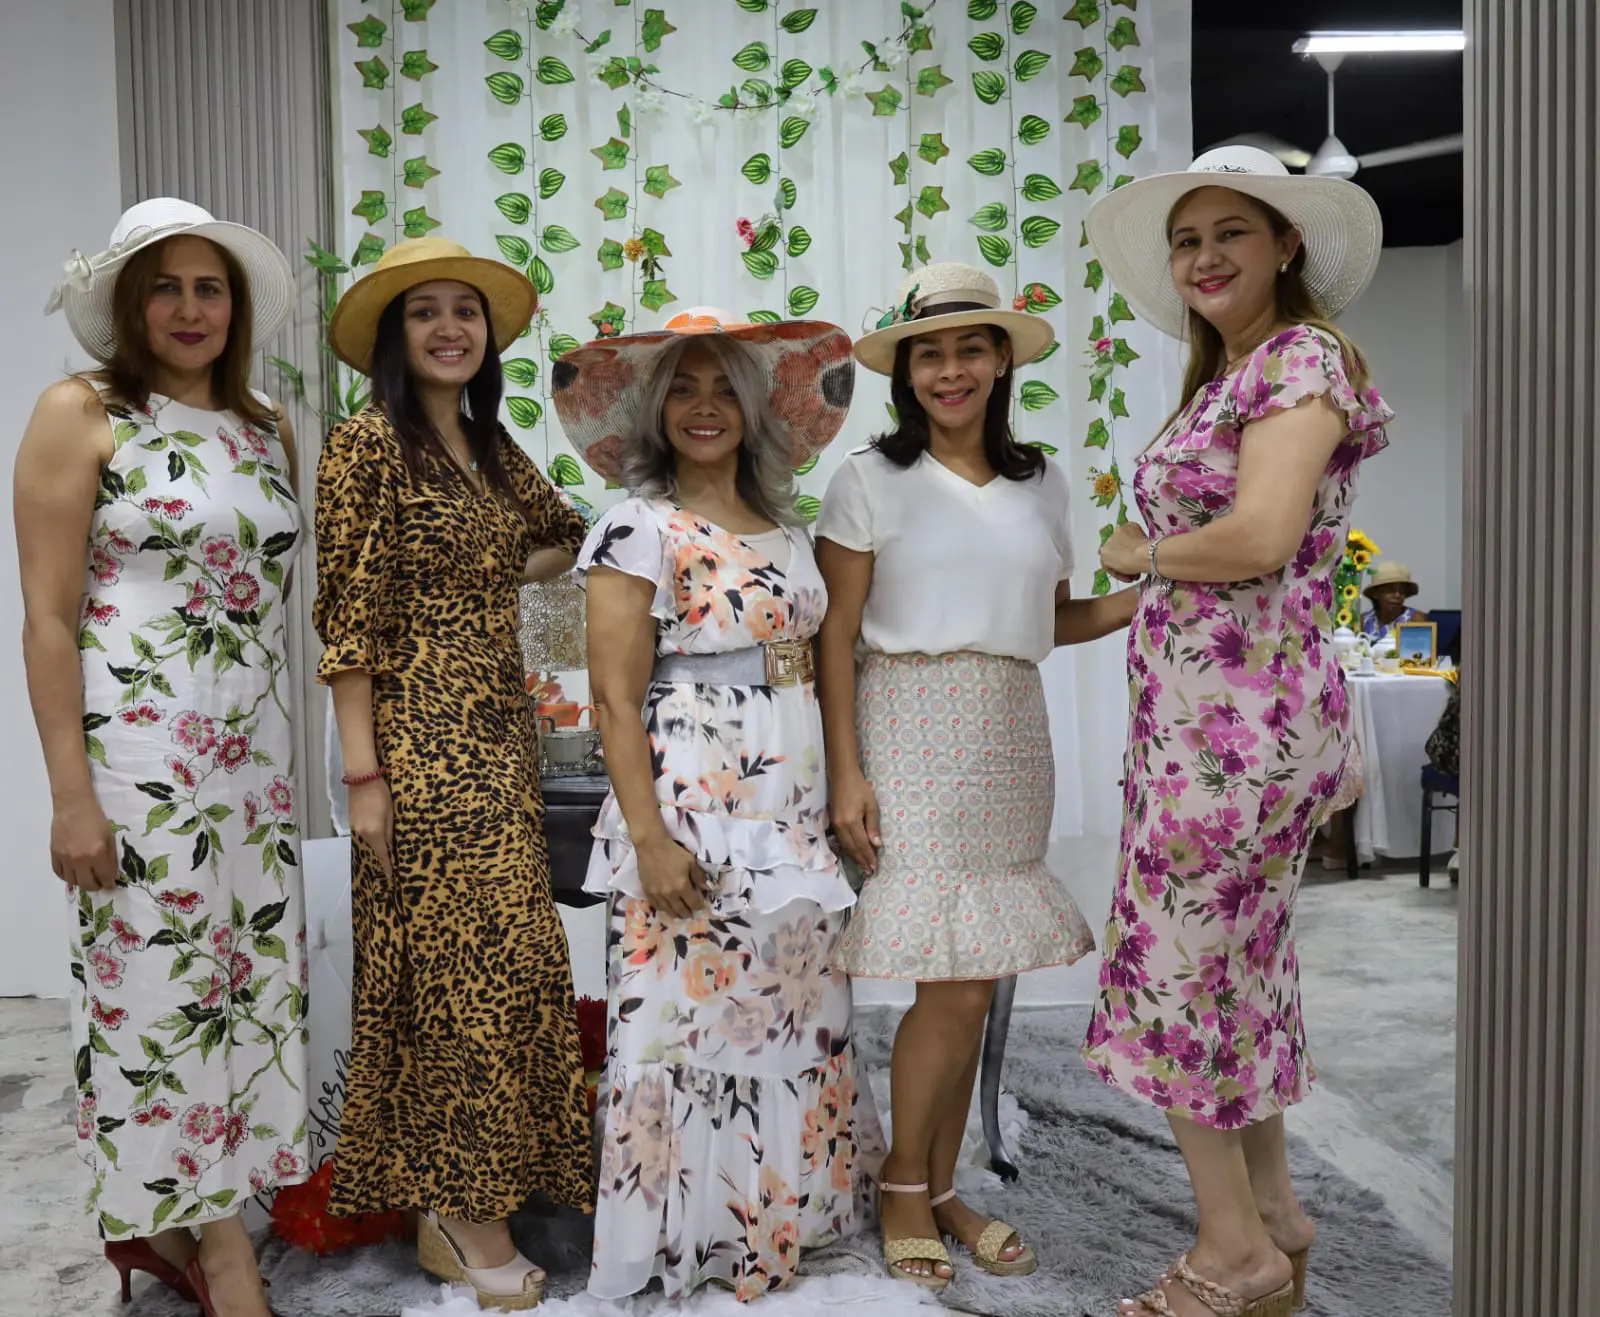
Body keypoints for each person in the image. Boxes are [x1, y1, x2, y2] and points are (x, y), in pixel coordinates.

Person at [1082, 144, 1393, 1317]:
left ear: (1285, 244)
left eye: (1230, 232)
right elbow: (1207, 578)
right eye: (1185, 238)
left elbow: (1259, 540)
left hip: (1240, 728)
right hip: (1209, 721)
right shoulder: (1237, 371)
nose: (1204, 256)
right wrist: (1091, 605)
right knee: (1235, 971)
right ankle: (1274, 1219)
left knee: (1177, 975)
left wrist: (1133, 551)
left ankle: (1230, 1255)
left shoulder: (1302, 358)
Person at [815, 262, 1135, 1291]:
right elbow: (834, 638)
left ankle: (941, 1184)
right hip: (909, 725)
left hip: (1010, 728)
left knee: (976, 970)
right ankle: (907, 1185)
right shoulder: (867, 480)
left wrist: (1154, 587)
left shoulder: (1041, 479)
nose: (949, 369)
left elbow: (1050, 620)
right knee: (949, 984)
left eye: (969, 348)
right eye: (928, 354)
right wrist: (845, 774)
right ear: (905, 372)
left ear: (1002, 359)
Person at [15, 197, 308, 1317]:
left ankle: (188, 1213)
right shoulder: (80, 413)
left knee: (239, 991)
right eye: (166, 286)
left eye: (211, 286)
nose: (191, 308)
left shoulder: (266, 422)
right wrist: (70, 798)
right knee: (156, 993)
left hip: (251, 764)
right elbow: (46, 620)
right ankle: (215, 1246)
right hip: (138, 761)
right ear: (130, 303)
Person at [552, 307, 882, 1302]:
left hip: (791, 790)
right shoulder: (634, 525)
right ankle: (675, 1241)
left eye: (723, 387)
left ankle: (768, 1225)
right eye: (684, 389)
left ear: (755, 405)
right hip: (692, 795)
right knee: (682, 1026)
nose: (706, 407)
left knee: (787, 1008)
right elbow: (612, 696)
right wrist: (646, 838)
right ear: (655, 413)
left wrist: (840, 786)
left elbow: (827, 669)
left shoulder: (788, 527)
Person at [313, 236, 593, 1311]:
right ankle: (467, 1222)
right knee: (450, 984)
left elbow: (559, 535)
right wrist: (363, 774)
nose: (447, 329)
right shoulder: (364, 446)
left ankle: (475, 1192)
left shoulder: (483, 442)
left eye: (464, 313)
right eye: (423, 312)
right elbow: (348, 624)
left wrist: (482, 569)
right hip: (416, 746)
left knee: (516, 966)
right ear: (394, 337)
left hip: (498, 739)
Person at [1361, 560, 1427, 639]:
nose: (1397, 595)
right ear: (1376, 593)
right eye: (1390, 589)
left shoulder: (1415, 619)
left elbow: (1421, 650)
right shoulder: (1364, 620)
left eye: (1402, 590)